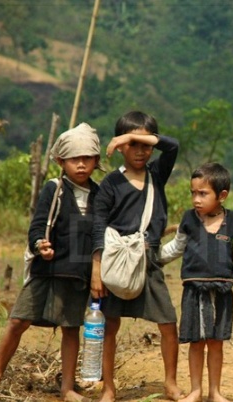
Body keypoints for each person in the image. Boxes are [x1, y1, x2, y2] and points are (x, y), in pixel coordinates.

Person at [0, 123, 102, 402]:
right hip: (47, 270)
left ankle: (67, 388)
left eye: (87, 158)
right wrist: (39, 245)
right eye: (74, 159)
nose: (81, 164)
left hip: (77, 274)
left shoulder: (100, 194)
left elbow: (100, 235)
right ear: (61, 161)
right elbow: (37, 226)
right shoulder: (54, 189)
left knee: (71, 328)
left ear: (96, 161)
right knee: (18, 320)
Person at [90, 111, 181, 401]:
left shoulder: (157, 174)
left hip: (149, 260)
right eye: (133, 144)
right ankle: (108, 387)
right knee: (109, 327)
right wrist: (96, 270)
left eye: (146, 144)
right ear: (120, 148)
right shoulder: (110, 184)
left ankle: (170, 383)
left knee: (168, 323)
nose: (140, 151)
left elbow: (173, 146)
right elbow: (98, 226)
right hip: (116, 262)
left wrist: (131, 135)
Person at [160, 162, 233, 402]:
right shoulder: (188, 219)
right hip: (194, 290)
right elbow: (175, 248)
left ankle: (215, 392)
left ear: (222, 196)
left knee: (216, 342)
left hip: (222, 290)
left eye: (203, 193)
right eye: (193, 193)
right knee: (196, 342)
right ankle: (196, 391)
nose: (196, 199)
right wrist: (151, 259)